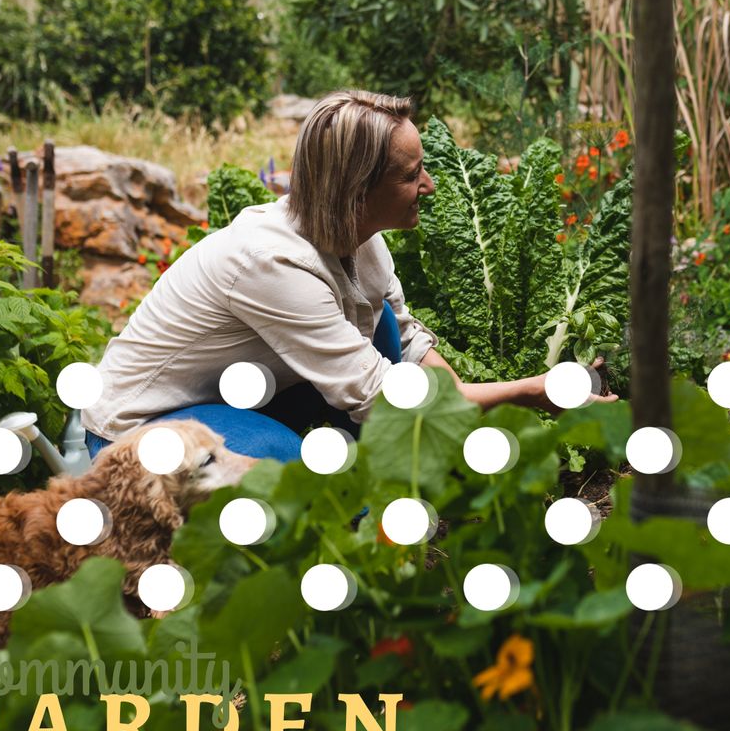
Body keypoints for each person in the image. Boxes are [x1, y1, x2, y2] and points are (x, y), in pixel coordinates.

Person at [81, 90, 614, 461]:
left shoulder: (363, 238)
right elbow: (385, 397)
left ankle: (372, 479)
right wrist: (532, 391)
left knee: (382, 323)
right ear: (357, 191)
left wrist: (472, 394)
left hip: (240, 393)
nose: (429, 185)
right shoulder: (272, 263)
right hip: (140, 430)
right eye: (411, 175)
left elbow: (407, 346)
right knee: (284, 467)